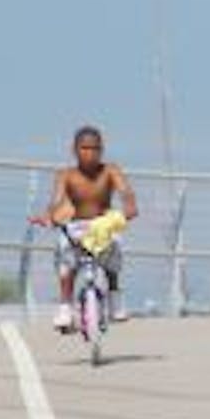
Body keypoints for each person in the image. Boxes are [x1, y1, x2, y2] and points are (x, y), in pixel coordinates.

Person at [31, 126, 139, 331]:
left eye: (95, 149)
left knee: (114, 250)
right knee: (65, 256)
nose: (90, 153)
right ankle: (65, 306)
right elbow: (56, 201)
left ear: (102, 150)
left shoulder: (110, 170)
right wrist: (49, 216)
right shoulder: (65, 174)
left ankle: (115, 297)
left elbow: (126, 192)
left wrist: (130, 206)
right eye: (85, 148)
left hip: (103, 223)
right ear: (74, 150)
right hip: (76, 224)